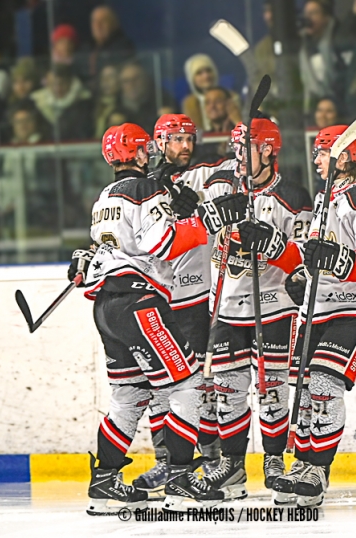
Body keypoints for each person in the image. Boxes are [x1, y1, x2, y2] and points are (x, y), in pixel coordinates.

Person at [77, 123, 246, 513]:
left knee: (129, 395)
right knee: (186, 385)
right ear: (137, 153)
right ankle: (180, 480)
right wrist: (210, 219)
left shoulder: (105, 196)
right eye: (144, 148)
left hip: (106, 306)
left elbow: (105, 250)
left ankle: (105, 482)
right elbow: (161, 243)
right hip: (139, 303)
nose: (148, 153)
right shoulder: (145, 188)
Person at [272, 124, 356, 507]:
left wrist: (336, 260)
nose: (317, 160)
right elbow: (307, 257)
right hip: (319, 305)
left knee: (324, 382)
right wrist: (277, 251)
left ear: (345, 156)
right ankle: (304, 464)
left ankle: (317, 470)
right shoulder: (324, 201)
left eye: (323, 152)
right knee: (306, 391)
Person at [202, 119, 313, 502]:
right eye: (234, 148)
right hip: (226, 306)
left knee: (271, 390)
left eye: (244, 148)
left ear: (267, 149)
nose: (237, 156)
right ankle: (232, 466)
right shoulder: (221, 183)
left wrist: (272, 242)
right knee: (228, 389)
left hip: (273, 308)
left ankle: (273, 461)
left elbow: (301, 264)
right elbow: (194, 225)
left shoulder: (295, 197)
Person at [132, 114, 235, 495]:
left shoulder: (206, 170)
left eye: (189, 138)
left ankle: (210, 460)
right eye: (176, 139)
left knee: (201, 385)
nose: (185, 146)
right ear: (159, 142)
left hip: (194, 299)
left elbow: (233, 179)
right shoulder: (142, 186)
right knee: (159, 387)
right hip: (155, 297)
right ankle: (169, 463)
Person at [31, 64, 93, 142]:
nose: (58, 89)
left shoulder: (85, 102)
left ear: (70, 82)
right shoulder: (36, 102)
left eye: (62, 84)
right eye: (53, 84)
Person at [181, 54, 241, 131]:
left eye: (208, 70)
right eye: (199, 73)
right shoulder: (189, 104)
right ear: (192, 79)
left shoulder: (232, 97)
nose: (206, 76)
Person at [79, 5, 135, 82]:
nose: (98, 26)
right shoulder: (86, 47)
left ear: (114, 24)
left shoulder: (123, 46)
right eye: (94, 21)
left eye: (103, 21)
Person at [119, 61, 175, 134]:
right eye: (126, 81)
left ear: (145, 79)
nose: (131, 85)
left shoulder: (162, 100)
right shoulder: (116, 108)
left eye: (136, 79)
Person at [94, 64, 122, 137]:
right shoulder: (89, 106)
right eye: (103, 77)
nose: (106, 81)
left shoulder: (125, 107)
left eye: (110, 77)